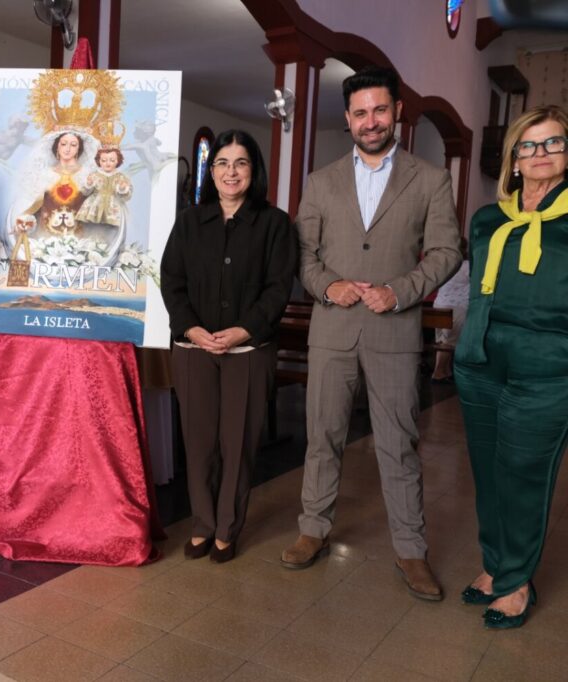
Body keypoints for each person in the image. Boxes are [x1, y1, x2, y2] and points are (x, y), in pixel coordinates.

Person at [280, 66, 462, 601]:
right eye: (360, 112)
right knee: (323, 436)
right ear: (348, 119)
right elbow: (303, 254)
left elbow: (448, 251)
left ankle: (411, 550)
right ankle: (313, 529)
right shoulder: (320, 181)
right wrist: (327, 286)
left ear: (397, 112)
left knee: (399, 444)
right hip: (333, 329)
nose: (371, 120)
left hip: (394, 330)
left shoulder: (429, 179)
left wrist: (400, 290)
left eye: (380, 109)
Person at [455, 105, 568, 628]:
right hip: (480, 362)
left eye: (553, 143)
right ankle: (496, 565)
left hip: (548, 369)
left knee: (524, 475)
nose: (541, 154)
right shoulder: (486, 218)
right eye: (530, 144)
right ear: (514, 157)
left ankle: (517, 580)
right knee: (488, 474)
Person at [160, 130, 296, 562]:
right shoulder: (188, 222)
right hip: (194, 348)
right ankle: (201, 523)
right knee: (198, 443)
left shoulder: (274, 223)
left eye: (241, 163)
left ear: (253, 171)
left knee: (237, 444)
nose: (230, 171)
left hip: (248, 352)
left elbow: (278, 288)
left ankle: (227, 526)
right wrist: (191, 329)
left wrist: (244, 329)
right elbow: (172, 281)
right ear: (211, 170)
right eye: (222, 163)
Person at [431, 240, 469, 383]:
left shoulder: (445, 265)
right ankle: (438, 372)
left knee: (442, 340)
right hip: (457, 307)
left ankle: (444, 371)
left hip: (439, 305)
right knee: (450, 342)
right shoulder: (467, 266)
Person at [76, 146, 132, 227]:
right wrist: (89, 184)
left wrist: (122, 188)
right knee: (93, 228)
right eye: (104, 160)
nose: (108, 163)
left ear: (118, 161)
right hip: (94, 205)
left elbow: (126, 197)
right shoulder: (94, 175)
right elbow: (85, 192)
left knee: (111, 229)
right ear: (99, 161)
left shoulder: (121, 177)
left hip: (113, 206)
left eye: (112, 160)